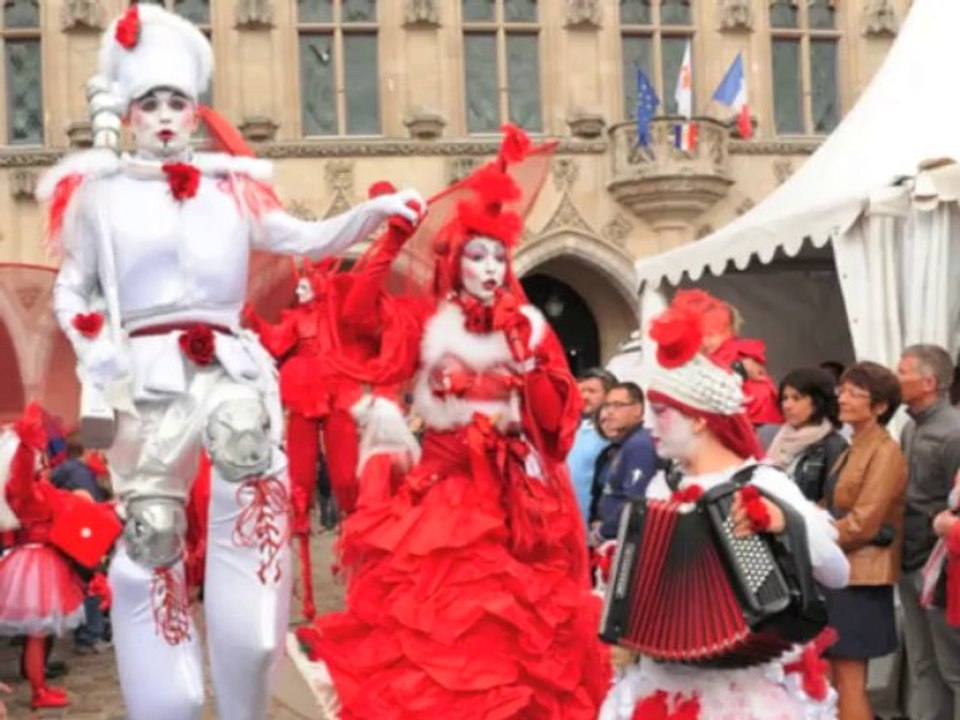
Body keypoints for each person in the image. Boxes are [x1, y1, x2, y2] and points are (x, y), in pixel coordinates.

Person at [40, 6, 423, 720]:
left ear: (194, 110)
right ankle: (168, 698)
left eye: (175, 102)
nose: (162, 116)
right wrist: (96, 349)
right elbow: (72, 288)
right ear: (127, 113)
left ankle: (249, 664)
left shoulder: (232, 187)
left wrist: (375, 217)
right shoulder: (98, 194)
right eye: (148, 103)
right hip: (147, 375)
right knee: (152, 531)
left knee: (248, 449)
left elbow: (305, 235)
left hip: (225, 361)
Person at [290, 127, 611, 719]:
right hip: (443, 503)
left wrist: (530, 359)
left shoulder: (529, 330)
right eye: (477, 255)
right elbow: (360, 314)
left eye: (499, 257)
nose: (490, 268)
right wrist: (391, 240)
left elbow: (550, 424)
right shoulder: (423, 326)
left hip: (518, 511)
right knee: (442, 642)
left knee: (523, 647)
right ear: (454, 261)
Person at [599, 303, 849, 720]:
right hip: (665, 682)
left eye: (661, 413)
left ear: (698, 420)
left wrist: (784, 523)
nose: (649, 425)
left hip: (742, 694)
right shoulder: (663, 487)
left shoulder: (761, 482)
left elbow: (837, 573)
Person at [0, 406, 116, 710]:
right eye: (39, 451)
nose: (43, 455)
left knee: (38, 634)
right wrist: (26, 444)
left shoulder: (39, 487)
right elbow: (24, 476)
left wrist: (110, 509)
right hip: (34, 563)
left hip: (38, 561)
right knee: (37, 633)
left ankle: (40, 687)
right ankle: (38, 690)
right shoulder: (23, 488)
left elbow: (72, 509)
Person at [819, 362, 906, 720]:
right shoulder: (854, 446)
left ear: (881, 406)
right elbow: (838, 503)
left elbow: (864, 523)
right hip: (843, 571)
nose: (844, 398)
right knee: (834, 676)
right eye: (843, 390)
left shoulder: (884, 451)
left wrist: (816, 533)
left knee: (850, 679)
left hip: (862, 576)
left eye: (856, 393)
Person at [896, 344, 960, 720]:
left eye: (903, 371)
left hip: (943, 568)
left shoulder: (953, 432)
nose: (896, 376)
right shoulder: (910, 428)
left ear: (929, 381)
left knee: (953, 667)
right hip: (911, 559)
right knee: (923, 664)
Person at [51, 434, 111, 654]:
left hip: (69, 536)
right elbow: (92, 507)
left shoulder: (63, 471)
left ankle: (87, 631)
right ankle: (90, 635)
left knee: (81, 584)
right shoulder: (81, 474)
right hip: (85, 537)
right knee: (92, 584)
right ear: (86, 450)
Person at [590, 382, 659, 544]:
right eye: (607, 406)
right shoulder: (625, 444)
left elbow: (635, 503)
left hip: (626, 540)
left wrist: (602, 532)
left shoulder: (640, 445)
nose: (610, 412)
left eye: (618, 405)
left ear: (637, 410)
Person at [768, 368, 848, 502]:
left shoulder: (833, 445)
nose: (787, 405)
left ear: (817, 402)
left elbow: (833, 501)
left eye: (796, 398)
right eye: (784, 398)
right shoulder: (778, 436)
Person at [568, 367, 615, 530]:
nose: (584, 396)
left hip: (595, 527)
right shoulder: (570, 428)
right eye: (581, 390)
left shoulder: (612, 433)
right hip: (567, 525)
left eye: (592, 391)